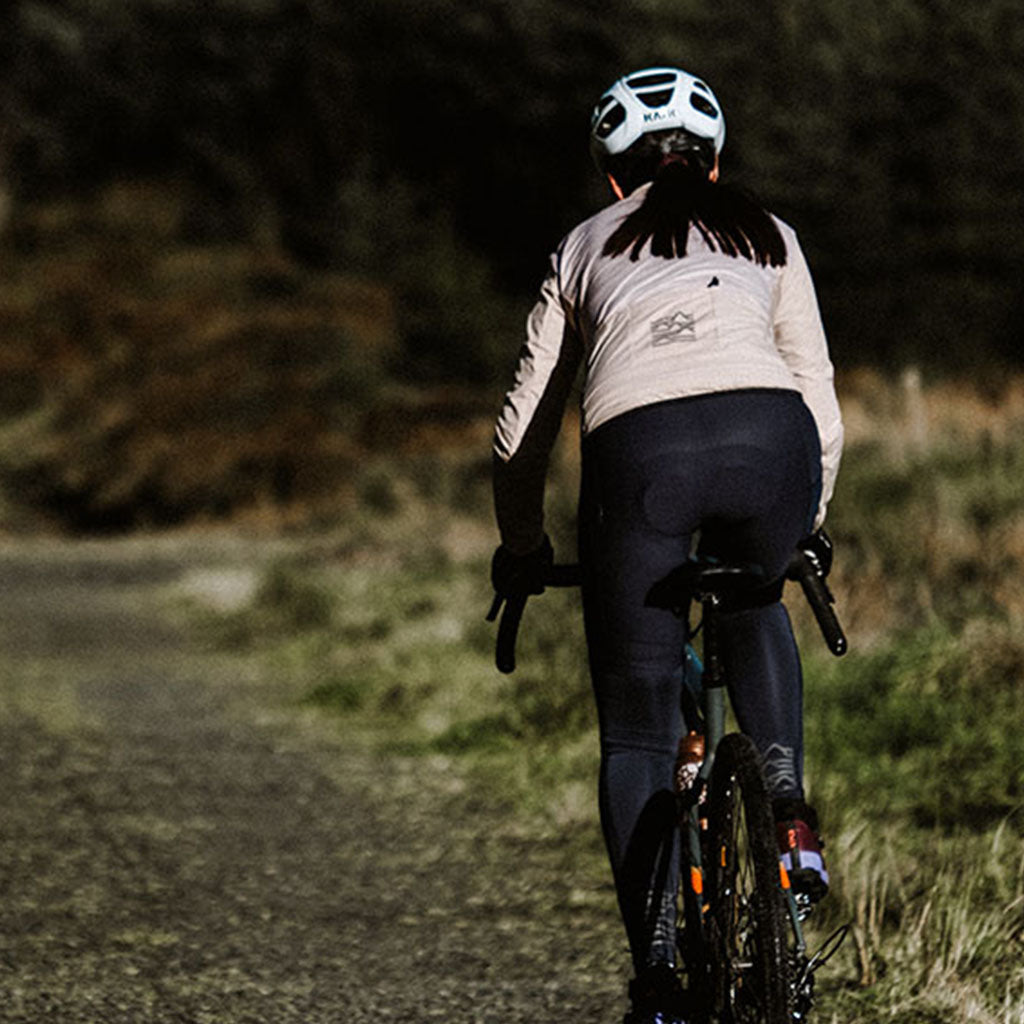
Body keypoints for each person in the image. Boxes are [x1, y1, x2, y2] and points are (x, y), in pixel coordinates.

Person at [489, 66, 843, 1024]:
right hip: (773, 439)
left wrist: (522, 544)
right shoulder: (771, 232)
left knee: (639, 733)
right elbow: (818, 394)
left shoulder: (584, 244)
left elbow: (523, 427)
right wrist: (806, 524)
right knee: (757, 599)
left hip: (641, 456)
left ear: (614, 176)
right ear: (714, 160)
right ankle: (787, 813)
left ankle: (655, 979)